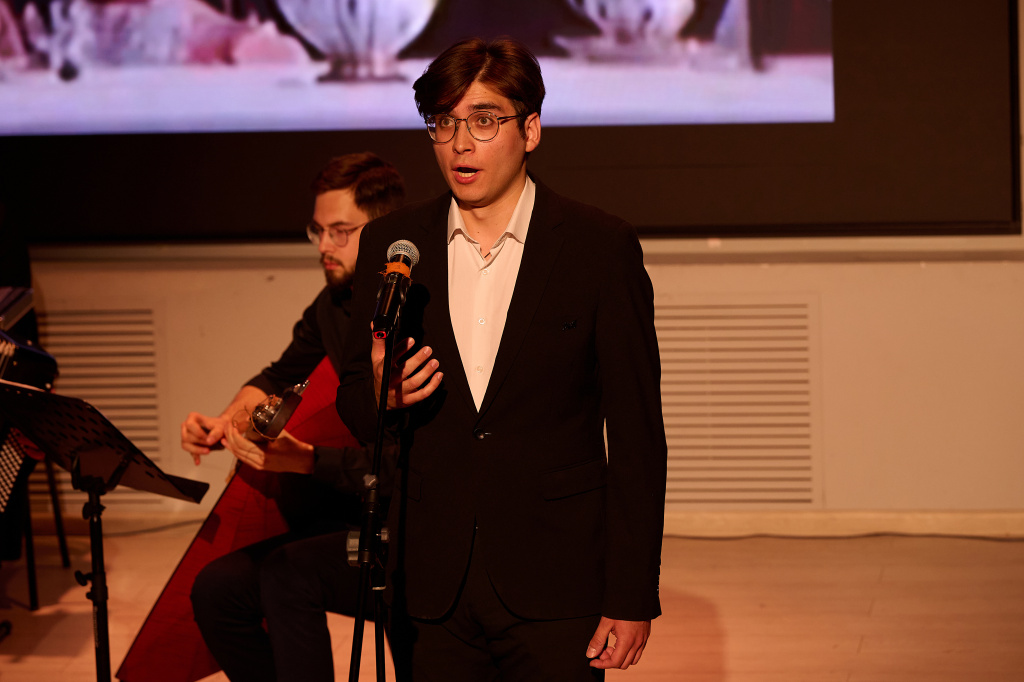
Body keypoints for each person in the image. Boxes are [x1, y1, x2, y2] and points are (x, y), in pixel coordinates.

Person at [336, 37, 668, 681]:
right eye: (444, 122)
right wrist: (380, 394)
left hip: (557, 582)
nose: (461, 143)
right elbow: (354, 401)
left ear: (530, 130)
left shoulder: (599, 247)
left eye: (484, 120)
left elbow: (637, 436)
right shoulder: (394, 246)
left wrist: (631, 593)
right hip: (429, 584)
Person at [182, 152, 405, 682]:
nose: (324, 245)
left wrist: (307, 461)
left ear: (383, 232)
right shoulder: (333, 304)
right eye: (318, 231)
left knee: (288, 574)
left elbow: (407, 467)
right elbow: (278, 376)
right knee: (216, 590)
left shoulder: (417, 313)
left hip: (410, 526)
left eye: (340, 232)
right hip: (355, 513)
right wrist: (224, 423)